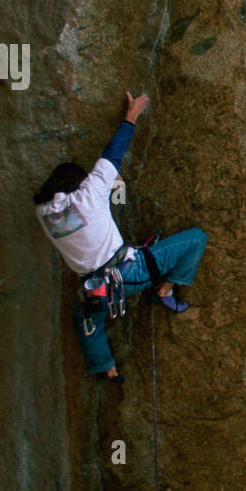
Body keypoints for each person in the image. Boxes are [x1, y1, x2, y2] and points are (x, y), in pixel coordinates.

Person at [33, 92, 207, 383]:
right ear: (80, 182)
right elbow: (114, 153)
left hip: (95, 289)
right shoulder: (89, 194)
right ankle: (164, 291)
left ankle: (108, 368)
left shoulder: (44, 214)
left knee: (86, 320)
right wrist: (132, 115)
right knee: (196, 239)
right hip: (130, 273)